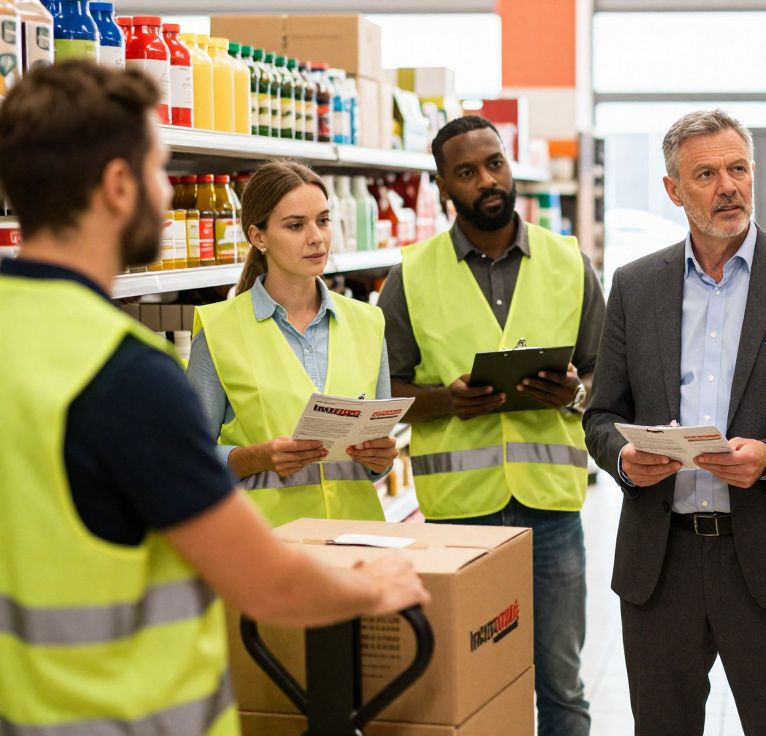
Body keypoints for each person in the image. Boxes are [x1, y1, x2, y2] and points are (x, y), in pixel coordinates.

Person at [0, 62, 428, 735]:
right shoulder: (123, 373)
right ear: (118, 186)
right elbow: (266, 582)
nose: (167, 196)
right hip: (128, 712)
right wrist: (377, 586)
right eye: (157, 170)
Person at [584, 109, 766, 736]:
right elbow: (602, 414)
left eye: (738, 168)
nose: (729, 187)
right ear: (672, 190)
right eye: (706, 174)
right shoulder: (636, 286)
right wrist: (624, 460)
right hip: (661, 563)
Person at [378, 115, 604, 736]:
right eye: (467, 172)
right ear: (443, 186)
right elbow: (383, 391)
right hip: (458, 514)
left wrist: (576, 391)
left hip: (552, 512)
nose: (488, 180)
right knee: (467, 684)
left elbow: (609, 373)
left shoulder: (568, 263)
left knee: (561, 683)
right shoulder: (411, 275)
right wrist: (444, 402)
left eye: (494, 163)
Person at [187, 160, 398, 526]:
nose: (316, 237)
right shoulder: (219, 329)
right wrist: (257, 458)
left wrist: (381, 458)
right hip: (266, 549)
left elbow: (373, 463)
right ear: (258, 237)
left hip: (357, 541)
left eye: (323, 220)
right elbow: (189, 459)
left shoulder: (368, 322)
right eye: (296, 225)